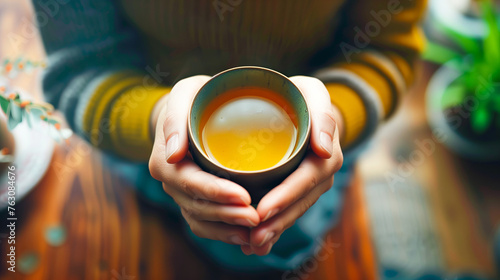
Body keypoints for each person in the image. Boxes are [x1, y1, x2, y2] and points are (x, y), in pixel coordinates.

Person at [32, 0, 427, 271]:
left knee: (267, 244)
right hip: (154, 141)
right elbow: (79, 69)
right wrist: (158, 121)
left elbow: (385, 48)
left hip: (321, 133)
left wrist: (335, 116)